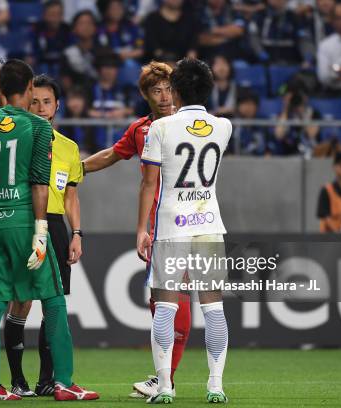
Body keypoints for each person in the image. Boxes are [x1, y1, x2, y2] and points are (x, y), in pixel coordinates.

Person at [0, 26, 96, 401]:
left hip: (40, 223)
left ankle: (43, 380)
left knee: (36, 301)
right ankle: (25, 380)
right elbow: (5, 87)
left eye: (47, 102)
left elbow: (70, 196)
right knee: (36, 302)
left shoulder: (66, 147)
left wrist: (77, 233)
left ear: (57, 105)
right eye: (35, 100)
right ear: (28, 98)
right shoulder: (26, 129)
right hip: (29, 221)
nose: (40, 107)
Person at [82, 61, 193, 400]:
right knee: (166, 306)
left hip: (192, 223)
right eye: (156, 90)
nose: (164, 96)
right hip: (161, 228)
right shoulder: (140, 130)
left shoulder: (191, 125)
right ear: (145, 95)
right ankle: (165, 378)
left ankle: (167, 379)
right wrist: (74, 168)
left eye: (169, 89)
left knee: (181, 309)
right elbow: (111, 156)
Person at [136, 57, 231, 404]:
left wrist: (140, 230)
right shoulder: (224, 126)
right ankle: (216, 385)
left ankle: (163, 387)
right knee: (214, 309)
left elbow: (149, 184)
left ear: (175, 90)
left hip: (171, 225)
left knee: (165, 308)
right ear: (209, 89)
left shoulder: (160, 129)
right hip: (209, 226)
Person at [248, 0, 304, 64]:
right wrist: (260, 53)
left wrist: (308, 56)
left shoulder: (293, 17)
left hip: (291, 61)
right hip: (265, 63)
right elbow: (253, 39)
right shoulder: (259, 16)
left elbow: (303, 39)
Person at [274, 88, 322, 155]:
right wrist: (286, 109)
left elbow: (311, 134)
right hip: (291, 153)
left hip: (310, 151)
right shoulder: (286, 115)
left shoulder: (314, 113)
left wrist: (302, 114)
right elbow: (278, 135)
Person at [61, 10, 99, 92]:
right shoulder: (68, 53)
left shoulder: (103, 51)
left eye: (89, 23)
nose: (86, 27)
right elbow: (66, 81)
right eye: (82, 23)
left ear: (95, 28)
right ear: (74, 29)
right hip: (77, 96)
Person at [27, 0, 72, 70]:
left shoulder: (67, 30)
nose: (55, 18)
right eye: (52, 14)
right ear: (44, 15)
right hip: (40, 66)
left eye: (59, 14)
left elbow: (71, 53)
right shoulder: (36, 30)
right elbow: (31, 53)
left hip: (63, 68)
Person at [231, 90, 270, 155]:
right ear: (238, 106)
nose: (248, 108)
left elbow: (269, 148)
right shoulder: (232, 125)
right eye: (245, 104)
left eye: (251, 104)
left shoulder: (263, 123)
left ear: (257, 107)